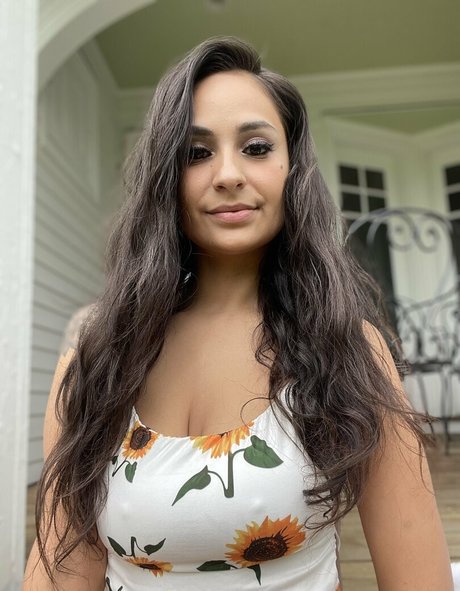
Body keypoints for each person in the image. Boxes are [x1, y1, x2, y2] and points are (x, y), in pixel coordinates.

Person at [23, 36, 453, 591]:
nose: (228, 173)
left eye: (255, 147)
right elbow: (62, 570)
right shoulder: (96, 362)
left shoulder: (347, 350)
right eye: (196, 153)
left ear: (292, 169)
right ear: (165, 179)